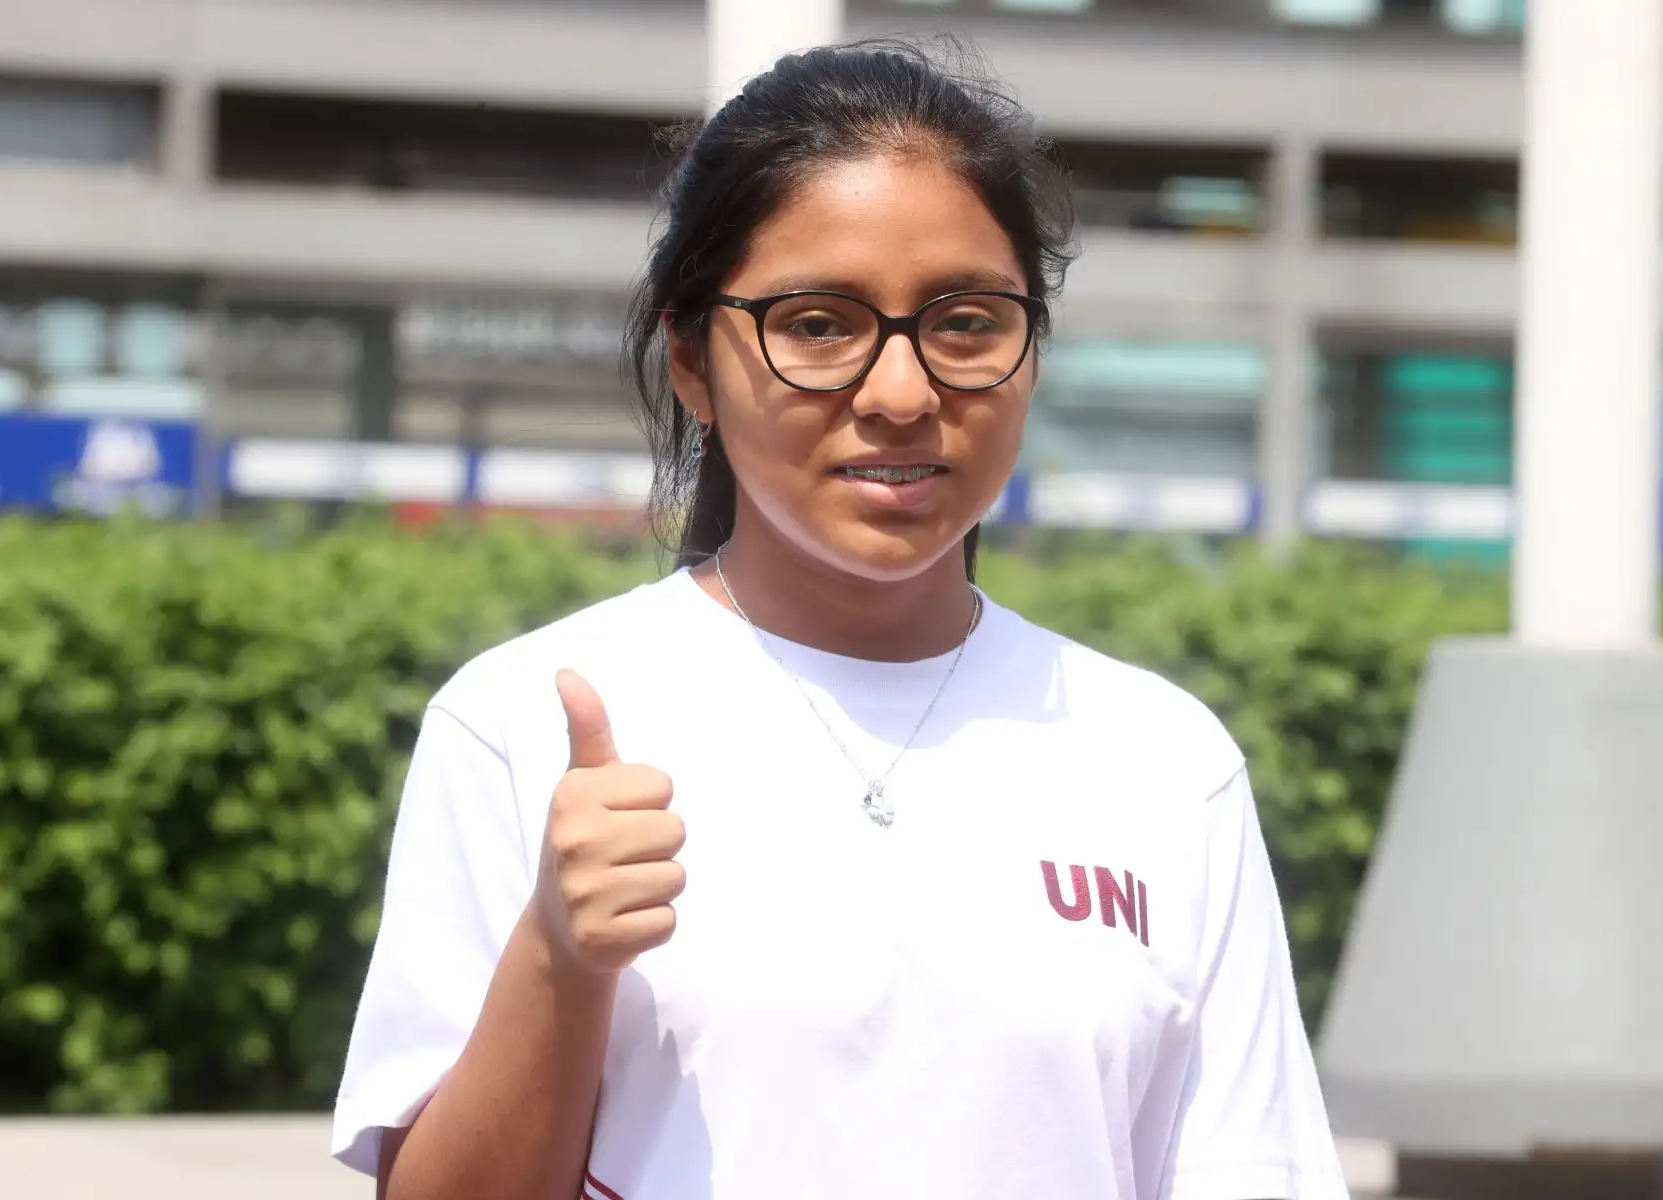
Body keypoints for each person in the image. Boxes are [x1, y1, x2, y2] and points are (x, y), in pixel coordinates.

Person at [331, 37, 1350, 1200]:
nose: (901, 393)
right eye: (819, 325)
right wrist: (558, 955)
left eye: (966, 322)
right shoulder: (523, 724)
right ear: (693, 361)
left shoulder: (1165, 765)